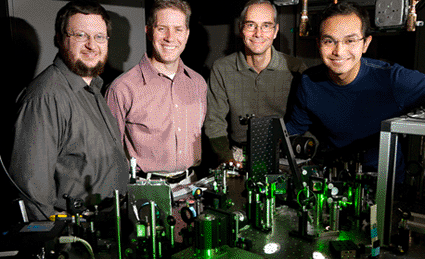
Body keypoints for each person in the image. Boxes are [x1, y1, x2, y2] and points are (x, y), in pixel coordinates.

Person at [8, 0, 129, 221]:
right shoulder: (46, 98)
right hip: (76, 241)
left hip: (109, 229)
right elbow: (34, 199)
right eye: (80, 35)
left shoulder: (93, 89)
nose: (92, 45)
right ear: (59, 39)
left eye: (99, 37)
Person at [285, 2, 425, 182]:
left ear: (366, 43)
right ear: (318, 43)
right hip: (335, 180)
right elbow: (293, 130)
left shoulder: (393, 80)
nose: (339, 51)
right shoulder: (309, 82)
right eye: (329, 41)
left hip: (385, 185)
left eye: (350, 41)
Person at [105, 0, 207, 185]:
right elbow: (108, 154)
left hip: (191, 184)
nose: (170, 37)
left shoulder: (198, 83)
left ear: (187, 34)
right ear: (149, 32)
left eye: (178, 29)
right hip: (147, 189)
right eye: (162, 28)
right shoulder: (121, 88)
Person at [204, 0, 307, 165]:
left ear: (275, 31)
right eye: (251, 25)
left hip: (283, 154)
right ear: (241, 29)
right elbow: (214, 122)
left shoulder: (295, 69)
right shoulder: (222, 68)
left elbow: (306, 120)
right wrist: (227, 159)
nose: (258, 34)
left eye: (266, 26)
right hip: (238, 156)